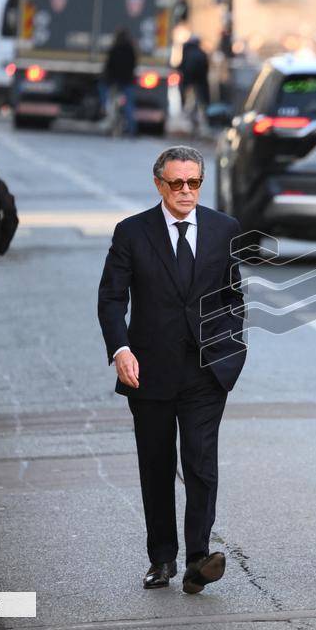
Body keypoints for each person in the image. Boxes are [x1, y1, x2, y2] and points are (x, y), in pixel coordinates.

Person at [97, 146, 247, 593]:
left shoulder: (225, 229)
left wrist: (231, 350)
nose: (186, 191)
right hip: (149, 369)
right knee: (157, 466)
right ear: (159, 184)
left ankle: (198, 559)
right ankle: (162, 559)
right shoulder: (132, 232)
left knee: (201, 465)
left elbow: (234, 296)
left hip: (206, 371)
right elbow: (111, 298)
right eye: (177, 183)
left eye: (194, 183)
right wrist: (120, 349)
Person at [102, 28, 138, 136]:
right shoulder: (131, 49)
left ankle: (104, 109)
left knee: (105, 93)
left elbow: (108, 65)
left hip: (113, 80)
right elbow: (133, 64)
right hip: (127, 80)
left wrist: (106, 77)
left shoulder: (114, 49)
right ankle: (132, 129)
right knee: (129, 104)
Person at [178, 36, 210, 131]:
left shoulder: (186, 51)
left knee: (189, 103)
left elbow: (182, 66)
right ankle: (197, 121)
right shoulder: (201, 53)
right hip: (200, 83)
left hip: (188, 82)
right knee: (198, 103)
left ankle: (191, 120)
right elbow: (205, 69)